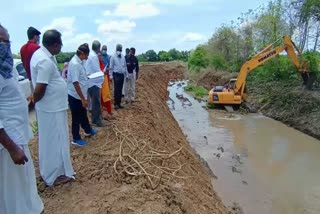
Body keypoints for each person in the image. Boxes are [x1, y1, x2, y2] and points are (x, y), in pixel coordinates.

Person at [0, 24, 44, 214]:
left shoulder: (7, 69)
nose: (8, 46)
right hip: (8, 141)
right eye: (3, 41)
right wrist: (11, 146)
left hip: (18, 134)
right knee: (14, 187)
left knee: (23, 183)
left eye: (8, 41)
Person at [30, 29, 75, 186]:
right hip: (51, 109)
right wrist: (33, 101)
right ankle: (53, 175)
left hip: (51, 107)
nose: (61, 47)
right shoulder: (45, 62)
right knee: (54, 142)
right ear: (55, 45)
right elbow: (40, 89)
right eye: (61, 44)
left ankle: (53, 171)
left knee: (52, 140)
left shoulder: (43, 55)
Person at [67, 44, 98, 147]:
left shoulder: (79, 62)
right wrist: (82, 99)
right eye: (86, 55)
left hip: (80, 95)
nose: (87, 58)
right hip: (75, 96)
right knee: (76, 117)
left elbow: (80, 78)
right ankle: (76, 138)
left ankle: (88, 130)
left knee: (83, 114)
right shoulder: (75, 64)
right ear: (81, 53)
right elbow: (75, 83)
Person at [85, 40, 105, 127]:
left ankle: (94, 119)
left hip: (90, 81)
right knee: (96, 101)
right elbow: (97, 70)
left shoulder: (90, 55)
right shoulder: (93, 56)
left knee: (94, 101)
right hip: (94, 82)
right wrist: (103, 72)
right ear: (98, 48)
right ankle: (97, 121)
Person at [110, 44, 128, 109]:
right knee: (116, 89)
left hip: (121, 75)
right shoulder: (113, 57)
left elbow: (125, 66)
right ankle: (115, 104)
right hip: (116, 74)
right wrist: (111, 76)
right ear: (116, 49)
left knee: (120, 90)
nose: (119, 50)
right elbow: (111, 67)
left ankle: (119, 103)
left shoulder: (123, 56)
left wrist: (126, 74)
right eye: (119, 49)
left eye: (120, 49)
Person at [100, 47, 113, 116]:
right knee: (101, 95)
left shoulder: (108, 57)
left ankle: (107, 108)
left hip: (105, 77)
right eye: (99, 56)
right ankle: (102, 108)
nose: (100, 57)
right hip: (99, 80)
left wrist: (107, 71)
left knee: (106, 93)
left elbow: (109, 66)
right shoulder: (97, 63)